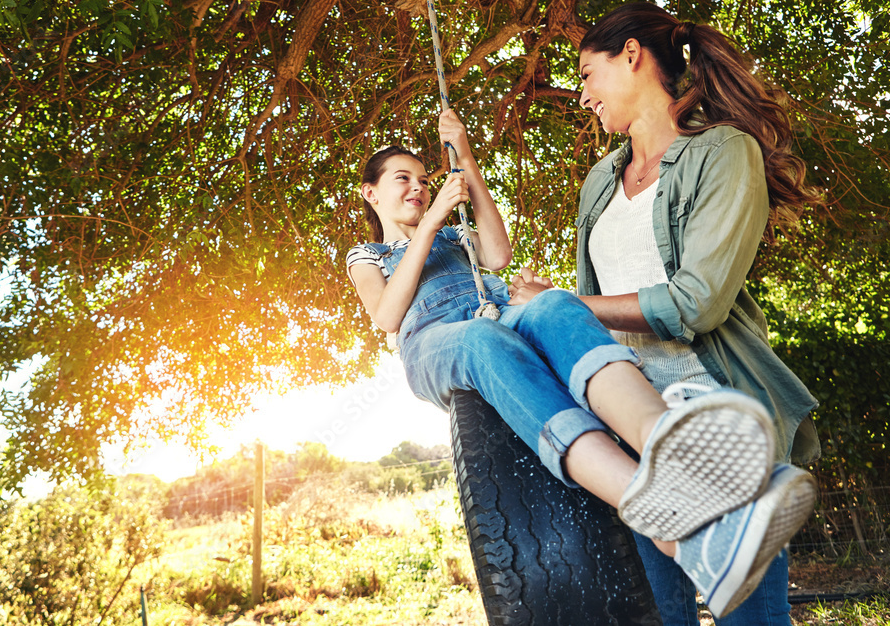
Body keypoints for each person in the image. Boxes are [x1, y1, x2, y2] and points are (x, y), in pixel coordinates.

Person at [347, 106, 817, 619]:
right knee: (482, 336)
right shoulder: (367, 254)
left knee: (553, 304)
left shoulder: (456, 236)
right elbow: (387, 315)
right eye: (401, 180)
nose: (416, 187)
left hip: (497, 315)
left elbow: (499, 255)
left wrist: (466, 158)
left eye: (422, 178)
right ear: (372, 193)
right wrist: (434, 216)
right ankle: (653, 508)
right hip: (438, 342)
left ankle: (677, 464)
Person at [509, 2, 824, 625]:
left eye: (587, 74)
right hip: (632, 436)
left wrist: (566, 307)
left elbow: (697, 302)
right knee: (659, 615)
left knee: (749, 617)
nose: (583, 95)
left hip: (714, 413)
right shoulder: (600, 180)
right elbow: (590, 319)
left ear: (632, 56)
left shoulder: (723, 153)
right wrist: (557, 311)